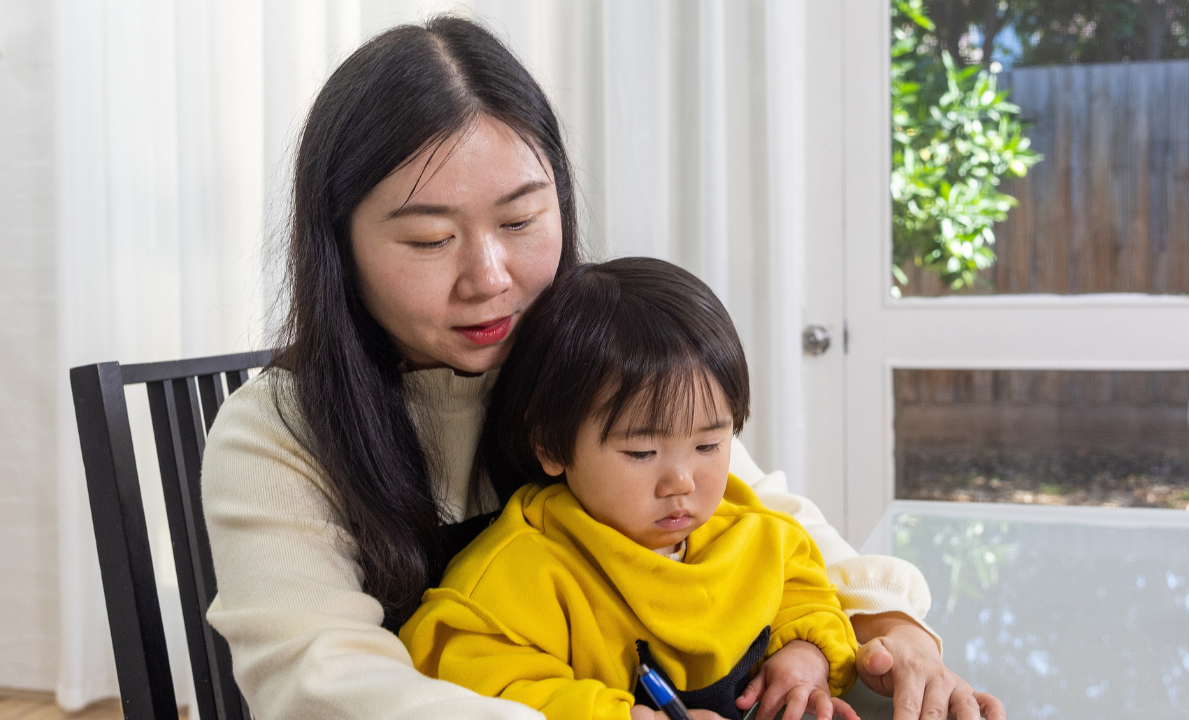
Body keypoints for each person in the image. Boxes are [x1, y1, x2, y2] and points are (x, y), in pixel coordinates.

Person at [200, 15, 1006, 720]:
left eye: (520, 219)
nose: (489, 277)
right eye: (428, 240)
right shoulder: (276, 434)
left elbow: (766, 520)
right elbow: (321, 685)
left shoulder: (590, 363)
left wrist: (889, 628)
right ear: (338, 245)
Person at [401, 257, 860, 720]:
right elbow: (470, 682)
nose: (681, 481)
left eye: (708, 444)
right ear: (551, 447)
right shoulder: (523, 572)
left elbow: (806, 594)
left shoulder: (755, 534)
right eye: (641, 453)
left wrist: (806, 655)